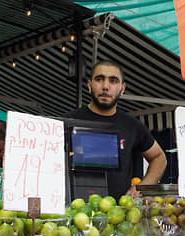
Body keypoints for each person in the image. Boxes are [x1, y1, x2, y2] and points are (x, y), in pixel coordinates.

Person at [66, 60, 166, 199]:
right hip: (76, 214)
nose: (105, 86)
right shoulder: (67, 122)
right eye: (99, 79)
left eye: (113, 81)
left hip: (119, 215)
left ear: (122, 89)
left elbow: (159, 157)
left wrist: (141, 188)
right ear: (89, 85)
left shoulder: (132, 125)